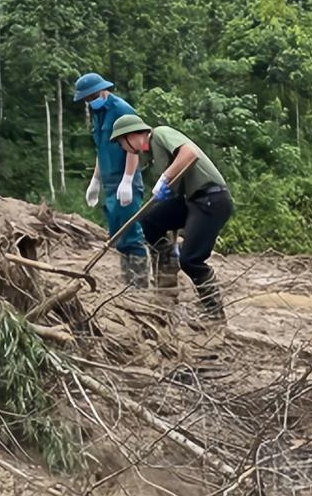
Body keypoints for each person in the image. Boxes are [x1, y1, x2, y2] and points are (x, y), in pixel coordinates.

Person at [110, 114, 232, 322]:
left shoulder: (161, 134)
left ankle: (215, 314)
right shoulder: (153, 153)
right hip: (191, 201)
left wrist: (165, 178)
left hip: (211, 199)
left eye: (123, 142)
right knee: (150, 220)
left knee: (191, 260)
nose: (123, 147)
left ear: (132, 135)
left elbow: (189, 153)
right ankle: (167, 281)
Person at [73, 73, 148, 288]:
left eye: (92, 97)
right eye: (86, 99)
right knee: (118, 235)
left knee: (131, 233)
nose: (89, 102)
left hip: (126, 182)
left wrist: (127, 180)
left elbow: (136, 147)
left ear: (102, 90)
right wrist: (95, 180)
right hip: (109, 183)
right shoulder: (98, 114)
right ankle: (128, 284)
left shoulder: (121, 110)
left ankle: (140, 286)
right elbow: (102, 148)